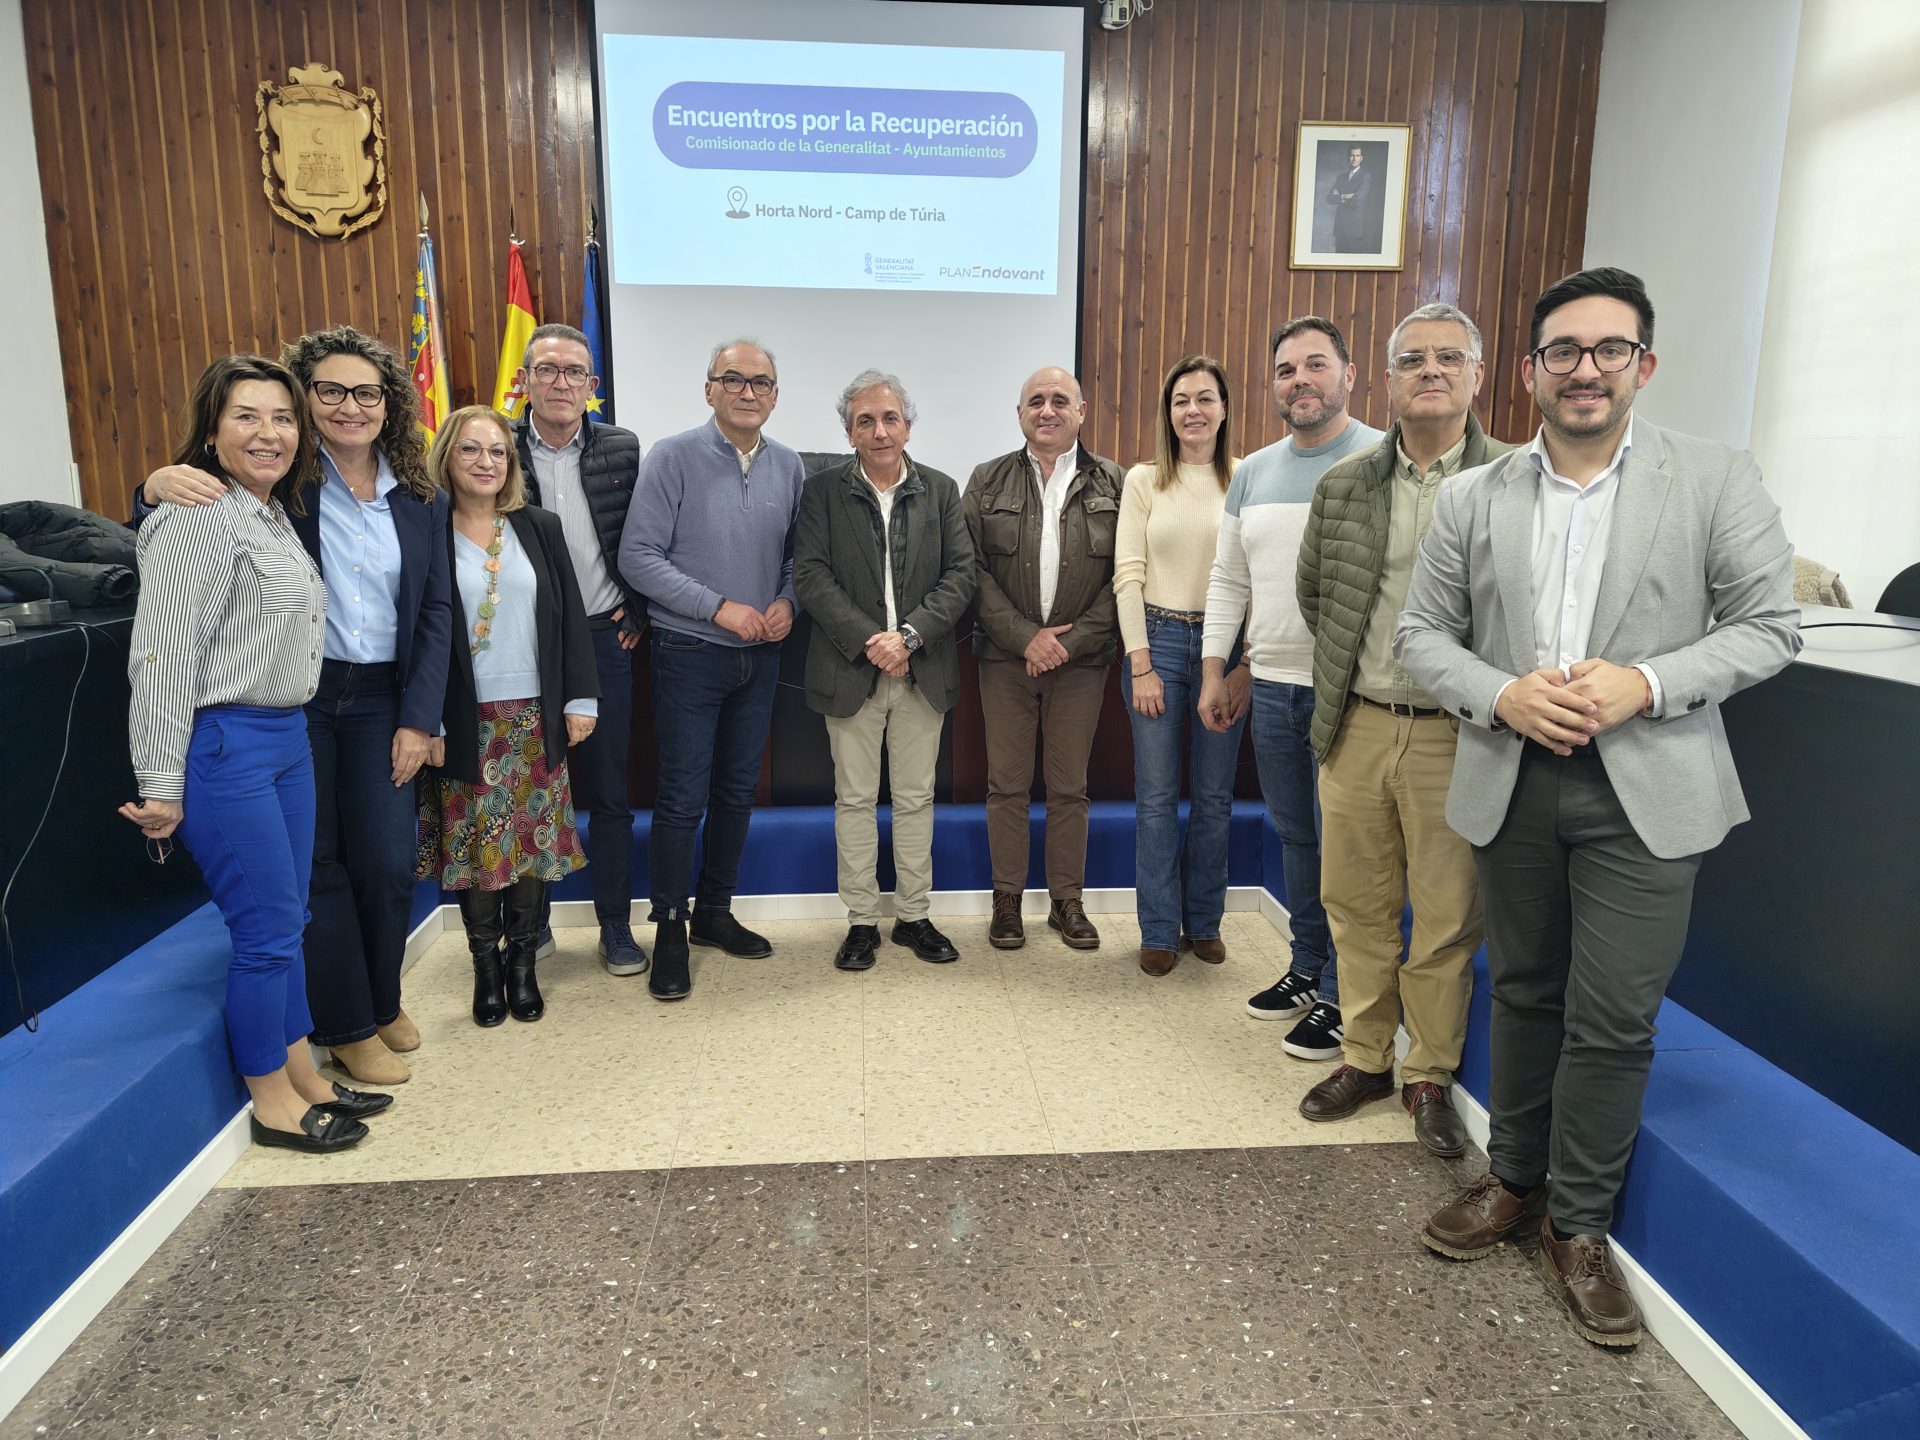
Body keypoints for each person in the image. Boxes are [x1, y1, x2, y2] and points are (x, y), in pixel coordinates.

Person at [1395, 268, 1800, 1347]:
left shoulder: (1712, 477)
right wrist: (1503, 694)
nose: (1586, 369)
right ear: (1530, 371)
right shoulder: (1473, 496)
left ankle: (1579, 1226)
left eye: (1609, 349)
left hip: (1649, 786)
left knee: (1615, 1015)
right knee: (1525, 992)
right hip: (1513, 776)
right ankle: (1514, 1180)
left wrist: (1646, 683)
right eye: (1563, 351)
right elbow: (1421, 636)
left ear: (1642, 365)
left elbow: (1771, 625)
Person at [136, 326, 453, 1088]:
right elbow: (179, 531)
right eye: (330, 391)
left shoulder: (419, 496)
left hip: (381, 698)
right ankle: (347, 1027)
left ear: (390, 403)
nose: (350, 406)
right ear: (307, 400)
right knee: (316, 871)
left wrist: (421, 716)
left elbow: (436, 611)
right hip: (297, 695)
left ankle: (381, 1001)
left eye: (367, 393)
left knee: (386, 862)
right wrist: (149, 488)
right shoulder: (283, 482)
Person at [121, 354, 388, 1154]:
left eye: (281, 417)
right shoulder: (195, 515)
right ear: (211, 431)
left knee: (290, 917)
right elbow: (162, 656)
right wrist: (160, 781)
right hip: (225, 744)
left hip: (284, 737)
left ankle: (304, 1072)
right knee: (266, 930)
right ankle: (272, 1099)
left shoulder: (266, 513)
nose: (268, 433)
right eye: (246, 416)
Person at [1289, 304, 1511, 1158]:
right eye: (1413, 359)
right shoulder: (1346, 484)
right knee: (1356, 906)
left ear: (1478, 376)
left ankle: (1428, 1075)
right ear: (1385, 379)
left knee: (1447, 917)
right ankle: (1364, 1058)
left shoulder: (1514, 482)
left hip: (1461, 734)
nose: (1431, 371)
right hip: (1359, 724)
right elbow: (1318, 595)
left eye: (1449, 357)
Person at [1199, 317, 1381, 1058]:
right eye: (1285, 369)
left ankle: (1343, 992)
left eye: (1315, 365)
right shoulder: (1253, 472)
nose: (1299, 380)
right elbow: (1229, 578)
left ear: (1349, 374)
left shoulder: (1381, 460)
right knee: (1298, 836)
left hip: (1352, 692)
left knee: (1350, 850)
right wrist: (1216, 670)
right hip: (1271, 687)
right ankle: (1308, 967)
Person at [619, 338, 807, 1001]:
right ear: (709, 390)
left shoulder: (790, 465)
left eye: (761, 382)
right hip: (690, 653)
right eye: (734, 379)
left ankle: (714, 912)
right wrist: (717, 607)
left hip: (761, 657)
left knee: (736, 793)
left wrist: (788, 601)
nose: (748, 391)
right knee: (681, 797)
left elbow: (799, 557)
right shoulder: (672, 456)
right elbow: (639, 556)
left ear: (775, 396)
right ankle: (671, 926)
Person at [417, 406, 599, 1027]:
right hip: (461, 721)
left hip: (534, 718)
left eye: (497, 451)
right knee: (477, 851)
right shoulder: (425, 530)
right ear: (446, 457)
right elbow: (415, 633)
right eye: (470, 450)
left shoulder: (538, 526)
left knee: (530, 847)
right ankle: (485, 969)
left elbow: (571, 616)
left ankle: (523, 964)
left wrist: (580, 699)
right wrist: (425, 719)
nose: (486, 462)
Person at [794, 370, 975, 972]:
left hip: (923, 669)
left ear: (908, 426)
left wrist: (911, 637)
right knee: (854, 800)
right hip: (852, 669)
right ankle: (861, 922)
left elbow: (961, 576)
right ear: (849, 432)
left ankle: (914, 916)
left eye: (890, 418)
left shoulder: (941, 490)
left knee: (917, 799)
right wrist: (872, 641)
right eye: (865, 421)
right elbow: (810, 575)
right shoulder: (821, 491)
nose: (879, 431)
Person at [963, 366, 1123, 951]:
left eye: (1060, 400)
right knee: (1006, 785)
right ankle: (1007, 899)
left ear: (1081, 412)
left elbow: (1125, 576)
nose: (1047, 410)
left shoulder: (1115, 483)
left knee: (1069, 787)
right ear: (1020, 414)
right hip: (1006, 661)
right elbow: (969, 570)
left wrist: (1065, 644)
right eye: (1036, 401)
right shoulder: (986, 480)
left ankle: (1066, 902)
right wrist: (1026, 638)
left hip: (1082, 663)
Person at [510, 323, 649, 979]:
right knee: (535, 790)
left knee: (610, 793)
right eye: (547, 369)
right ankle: (531, 924)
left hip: (602, 639)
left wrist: (637, 607)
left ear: (592, 385)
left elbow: (645, 535)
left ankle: (615, 926)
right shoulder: (496, 447)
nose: (560, 382)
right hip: (523, 645)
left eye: (573, 372)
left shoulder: (622, 447)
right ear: (525, 380)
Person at [1114, 356, 1244, 976]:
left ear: (1224, 408)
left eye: (1205, 398)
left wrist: (1244, 664)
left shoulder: (1246, 477)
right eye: (1180, 400)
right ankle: (1161, 929)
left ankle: (1206, 923)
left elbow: (1256, 574)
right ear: (1168, 413)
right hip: (1159, 643)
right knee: (1157, 797)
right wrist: (1141, 664)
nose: (1193, 410)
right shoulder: (1143, 481)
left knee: (1215, 796)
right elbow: (1127, 575)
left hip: (1227, 648)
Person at [1326, 146, 1374, 252]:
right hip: (1340, 227)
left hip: (1355, 229)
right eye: (1352, 155)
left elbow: (1357, 200)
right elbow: (1329, 198)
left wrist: (1339, 196)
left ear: (1361, 158)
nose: (1354, 158)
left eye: (1357, 156)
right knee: (1339, 259)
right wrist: (1345, 196)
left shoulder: (1365, 177)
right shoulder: (1341, 177)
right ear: (1348, 157)